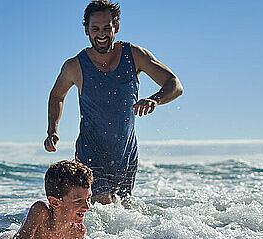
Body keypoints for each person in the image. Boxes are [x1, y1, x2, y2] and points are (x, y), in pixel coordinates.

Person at [44, 0, 183, 204]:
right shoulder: (75, 66)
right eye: (95, 28)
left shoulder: (134, 56)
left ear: (116, 27)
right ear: (86, 30)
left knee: (122, 214)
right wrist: (52, 130)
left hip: (126, 155)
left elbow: (175, 84)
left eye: (106, 28)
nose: (101, 34)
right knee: (104, 206)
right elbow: (57, 95)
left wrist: (155, 100)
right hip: (90, 154)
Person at [3, 160, 93, 239]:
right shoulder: (41, 212)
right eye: (78, 201)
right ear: (55, 202)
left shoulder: (78, 232)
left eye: (88, 198)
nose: (87, 206)